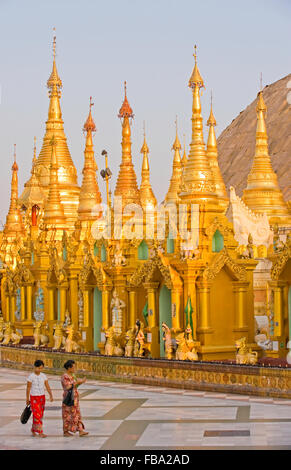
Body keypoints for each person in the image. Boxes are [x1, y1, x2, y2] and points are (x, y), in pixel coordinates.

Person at [26, 359, 53, 438]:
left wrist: (50, 395)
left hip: (42, 397)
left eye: (41, 368)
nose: (39, 370)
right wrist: (27, 399)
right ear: (35, 367)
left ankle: (33, 429)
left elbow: (47, 386)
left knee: (40, 414)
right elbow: (28, 388)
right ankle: (40, 432)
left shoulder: (43, 376)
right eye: (38, 368)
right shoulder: (31, 377)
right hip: (34, 397)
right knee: (37, 414)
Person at [61, 360, 88, 437]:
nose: (75, 368)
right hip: (69, 398)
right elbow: (68, 386)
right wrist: (78, 382)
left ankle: (80, 430)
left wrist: (81, 382)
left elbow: (75, 386)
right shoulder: (64, 376)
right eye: (73, 367)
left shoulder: (73, 375)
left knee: (77, 414)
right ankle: (65, 431)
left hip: (75, 397)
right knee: (67, 415)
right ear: (69, 368)